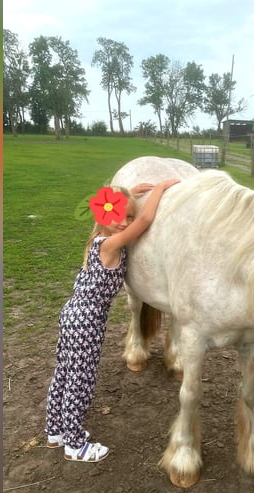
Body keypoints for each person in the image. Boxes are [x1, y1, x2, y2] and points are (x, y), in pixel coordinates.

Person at [45, 177, 180, 462]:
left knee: (65, 373)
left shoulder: (97, 240)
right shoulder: (111, 245)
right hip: (87, 321)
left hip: (73, 314)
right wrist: (159, 189)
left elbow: (130, 214)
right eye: (116, 214)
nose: (123, 221)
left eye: (127, 215)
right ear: (104, 215)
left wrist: (132, 194)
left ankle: (55, 431)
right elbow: (144, 220)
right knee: (80, 380)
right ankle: (75, 442)